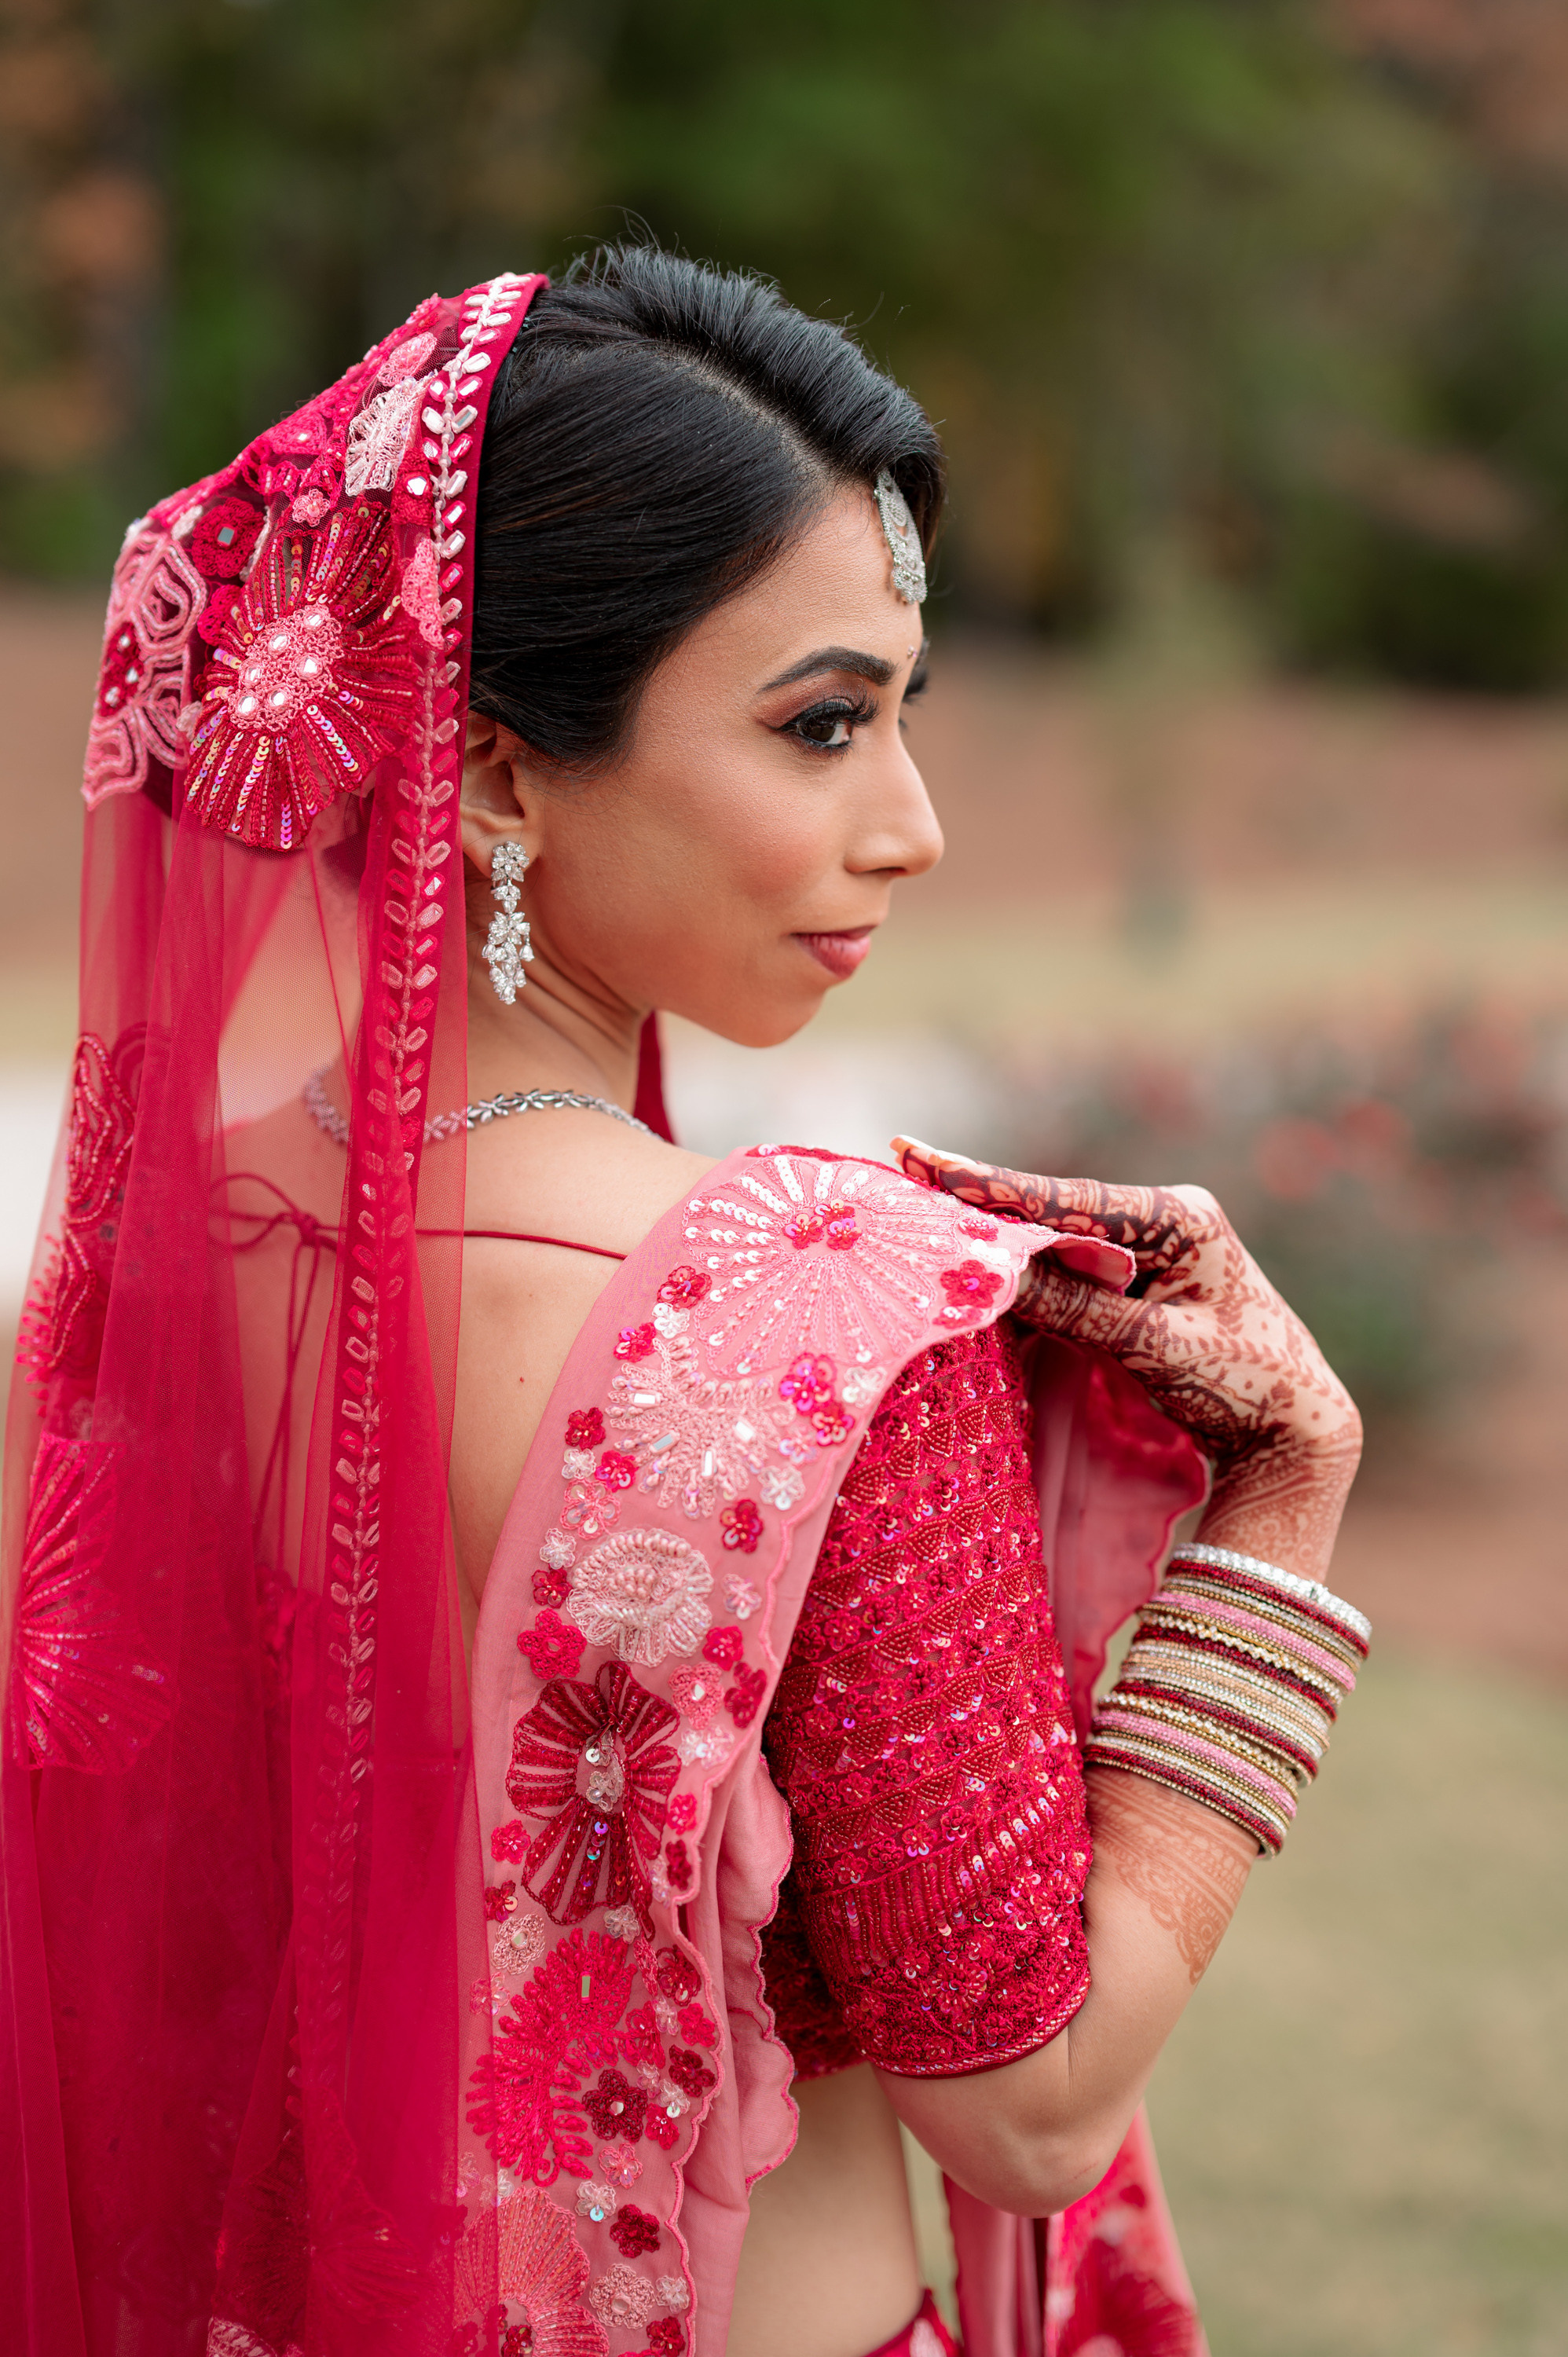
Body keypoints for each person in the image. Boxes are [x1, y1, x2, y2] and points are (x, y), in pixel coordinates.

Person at [0, 247, 1366, 2357]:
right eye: (820, 724)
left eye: (903, 717)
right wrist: (1280, 1507)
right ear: (495, 772)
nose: (907, 827)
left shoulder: (119, 1293)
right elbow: (1023, 2105)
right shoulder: (819, 1333)